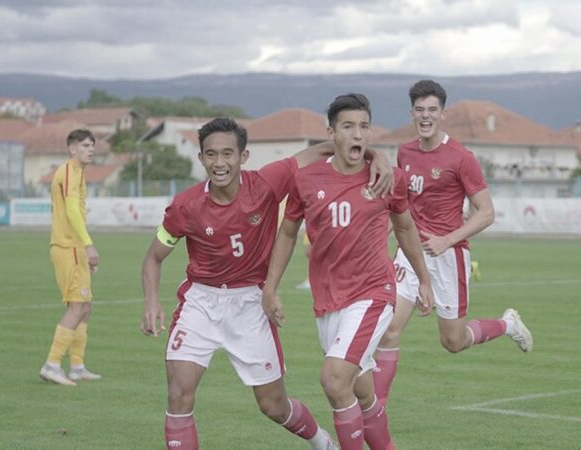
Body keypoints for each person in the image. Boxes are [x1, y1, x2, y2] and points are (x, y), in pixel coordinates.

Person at [140, 117, 393, 450]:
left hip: (250, 304)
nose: (219, 163)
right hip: (200, 303)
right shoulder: (185, 206)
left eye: (228, 154)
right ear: (201, 158)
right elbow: (153, 257)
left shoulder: (267, 183)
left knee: (273, 406)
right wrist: (151, 301)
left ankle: (321, 442)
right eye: (211, 155)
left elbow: (327, 148)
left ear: (243, 156)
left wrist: (377, 156)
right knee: (178, 395)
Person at [262, 94, 434, 450]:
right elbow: (288, 233)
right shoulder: (306, 180)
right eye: (348, 126)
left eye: (364, 127)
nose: (358, 134)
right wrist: (271, 287)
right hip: (328, 301)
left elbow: (405, 228)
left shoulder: (388, 179)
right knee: (362, 390)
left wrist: (425, 279)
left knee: (335, 380)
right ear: (332, 133)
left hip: (372, 294)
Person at [373, 80, 533, 405]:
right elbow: (401, 207)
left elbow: (486, 212)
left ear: (443, 114)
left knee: (453, 341)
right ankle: (374, 416)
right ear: (412, 113)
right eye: (420, 110)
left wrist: (447, 240)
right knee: (388, 330)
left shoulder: (461, 158)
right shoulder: (405, 152)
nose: (426, 116)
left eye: (432, 110)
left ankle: (507, 324)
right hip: (410, 255)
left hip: (449, 258)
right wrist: (380, 240)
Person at [39, 128, 101, 386]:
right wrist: (88, 245)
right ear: (72, 149)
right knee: (77, 307)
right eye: (85, 145)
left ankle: (77, 366)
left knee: (85, 307)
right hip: (68, 247)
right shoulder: (68, 171)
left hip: (74, 248)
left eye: (92, 145)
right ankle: (52, 364)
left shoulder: (78, 172)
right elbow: (72, 211)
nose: (91, 149)